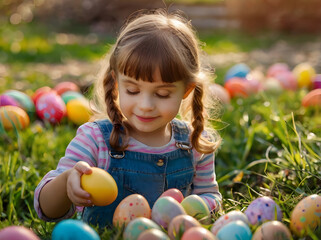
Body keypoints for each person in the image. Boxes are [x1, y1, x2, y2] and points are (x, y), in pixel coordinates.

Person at [34, 9, 222, 228]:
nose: (145, 105)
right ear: (117, 83)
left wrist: (194, 210)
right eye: (132, 90)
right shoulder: (95, 140)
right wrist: (67, 181)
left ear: (186, 90)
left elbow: (211, 196)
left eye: (162, 94)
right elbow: (45, 209)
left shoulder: (194, 143)